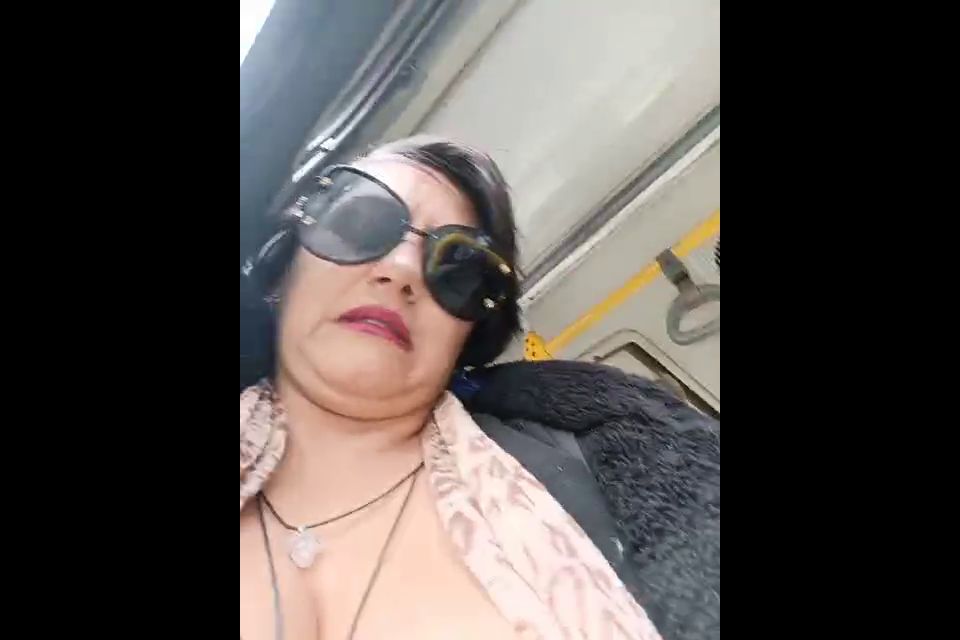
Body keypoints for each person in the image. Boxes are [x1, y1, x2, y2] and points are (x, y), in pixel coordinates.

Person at [240, 137, 720, 640]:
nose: (402, 271)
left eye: (459, 272)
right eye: (358, 224)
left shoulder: (587, 458)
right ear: (281, 268)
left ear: (467, 340)